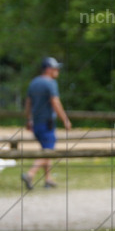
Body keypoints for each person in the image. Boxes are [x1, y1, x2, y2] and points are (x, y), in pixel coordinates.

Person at [21, 57, 72, 189]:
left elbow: (28, 104)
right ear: (49, 69)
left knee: (45, 149)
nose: (58, 71)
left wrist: (28, 120)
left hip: (36, 124)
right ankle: (30, 174)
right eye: (56, 68)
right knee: (48, 150)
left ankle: (48, 179)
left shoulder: (33, 83)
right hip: (47, 123)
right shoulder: (50, 83)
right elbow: (55, 102)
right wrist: (65, 120)